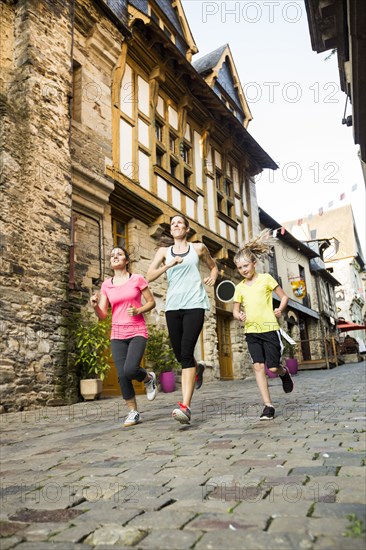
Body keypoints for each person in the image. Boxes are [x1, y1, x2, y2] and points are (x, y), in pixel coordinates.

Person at [147, 214, 218, 424]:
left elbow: (213, 266)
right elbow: (148, 277)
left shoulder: (198, 248)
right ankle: (198, 368)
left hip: (195, 304)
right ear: (171, 230)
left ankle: (185, 407)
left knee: (186, 352)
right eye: (173, 224)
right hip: (173, 306)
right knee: (180, 353)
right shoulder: (163, 252)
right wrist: (169, 265)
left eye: (180, 223)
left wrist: (213, 277)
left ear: (187, 229)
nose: (176, 225)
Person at [90, 247, 156, 427]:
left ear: (127, 260)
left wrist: (139, 310)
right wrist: (95, 306)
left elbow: (151, 302)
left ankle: (148, 379)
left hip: (137, 330)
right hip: (117, 334)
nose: (115, 257)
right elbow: (103, 314)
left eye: (119, 254)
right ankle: (133, 412)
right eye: (112, 256)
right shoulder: (106, 284)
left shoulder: (137, 279)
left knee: (130, 369)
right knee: (122, 375)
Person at [232, 231, 294, 421]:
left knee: (273, 368)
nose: (243, 270)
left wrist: (280, 309)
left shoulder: (266, 279)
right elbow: (235, 310)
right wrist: (239, 315)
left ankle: (284, 373)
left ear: (254, 264)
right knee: (258, 367)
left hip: (269, 329)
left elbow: (284, 297)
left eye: (246, 265)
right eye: (240, 267)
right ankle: (268, 406)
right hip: (252, 331)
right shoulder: (239, 287)